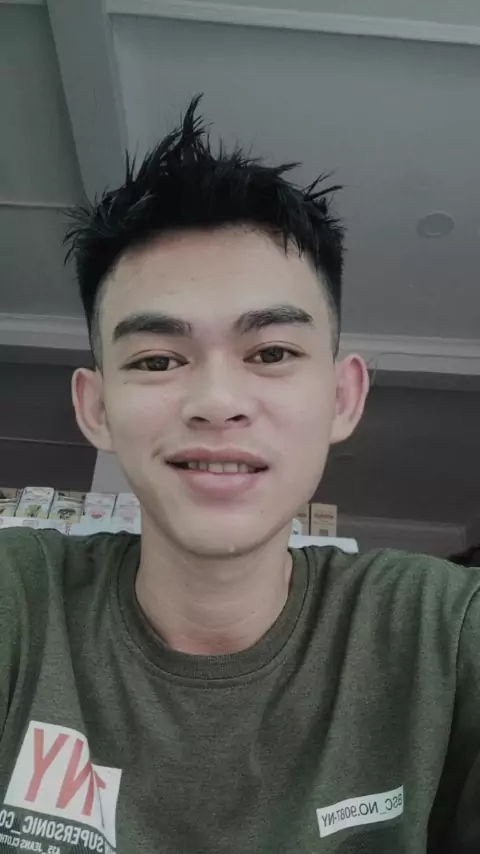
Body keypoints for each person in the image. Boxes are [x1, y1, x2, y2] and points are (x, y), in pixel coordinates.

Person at [0, 97, 479, 854]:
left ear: (343, 397)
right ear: (96, 408)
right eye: (158, 359)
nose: (217, 401)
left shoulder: (443, 633)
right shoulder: (19, 603)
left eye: (272, 353)